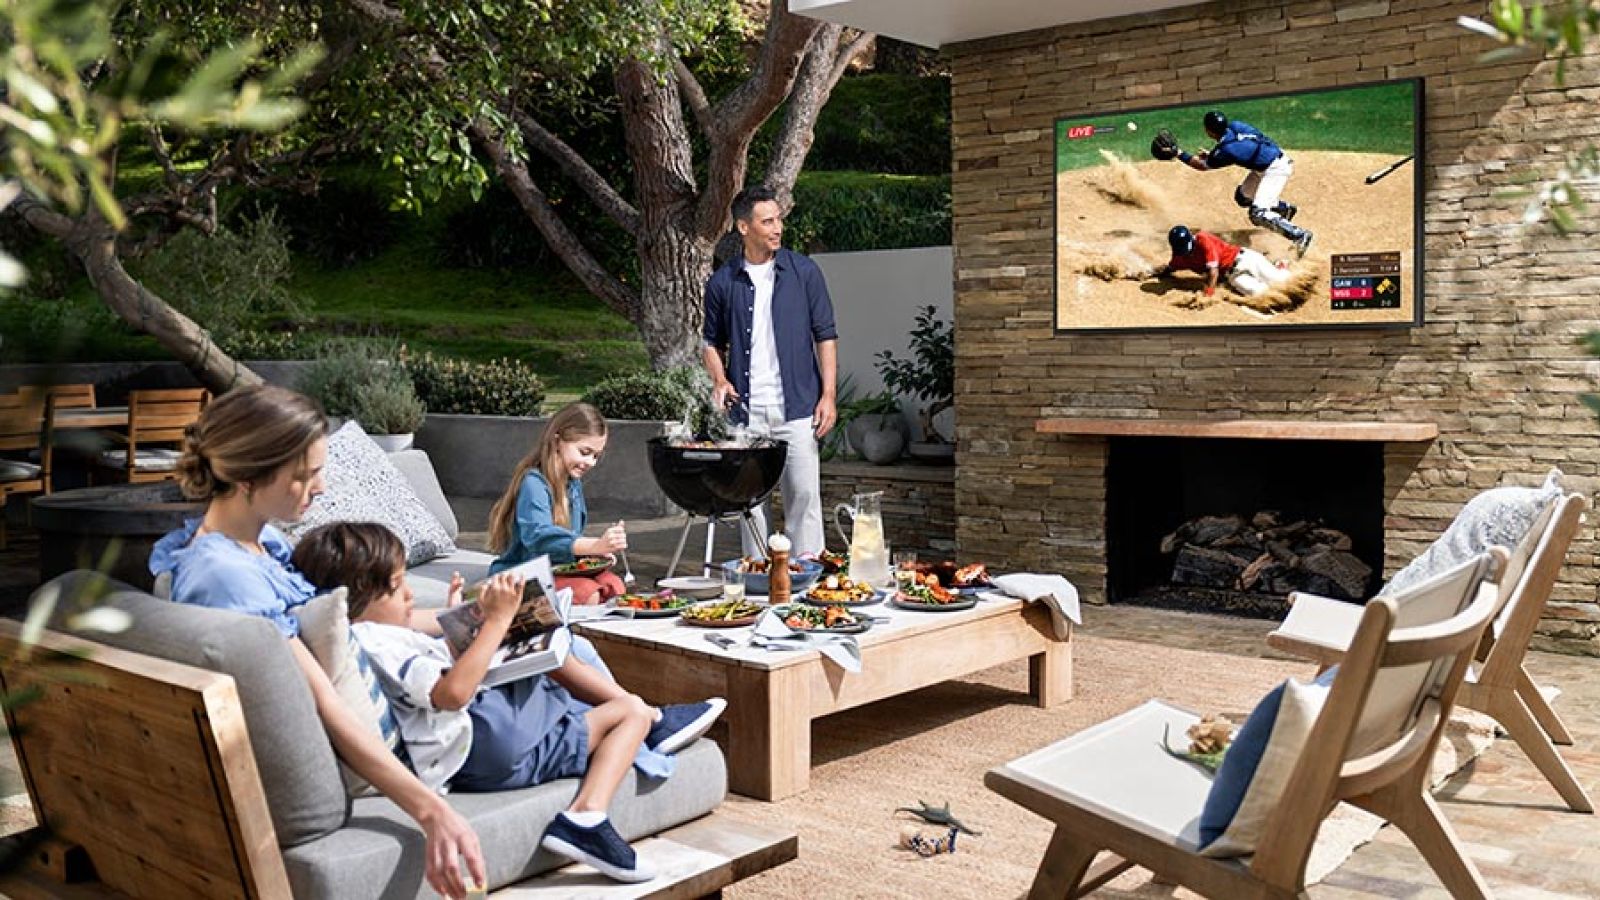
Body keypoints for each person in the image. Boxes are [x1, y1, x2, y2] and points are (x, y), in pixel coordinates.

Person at [148, 385, 483, 900]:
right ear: (245, 477)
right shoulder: (226, 578)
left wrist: (465, 618)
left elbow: (344, 628)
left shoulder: (260, 544)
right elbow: (325, 701)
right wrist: (432, 810)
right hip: (408, 740)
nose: (321, 488)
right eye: (304, 475)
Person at [291, 522, 726, 883]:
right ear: (359, 598)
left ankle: (651, 717)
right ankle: (591, 810)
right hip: (490, 743)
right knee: (611, 700)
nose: (409, 596)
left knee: (542, 643)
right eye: (398, 586)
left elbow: (434, 677)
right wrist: (498, 620)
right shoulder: (380, 640)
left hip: (482, 737)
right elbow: (452, 694)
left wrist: (466, 623)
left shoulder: (374, 634)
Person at [702, 185, 839, 557]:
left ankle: (807, 582)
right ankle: (759, 581)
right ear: (744, 228)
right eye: (768, 221)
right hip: (745, 414)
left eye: (779, 219)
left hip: (797, 409)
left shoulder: (804, 272)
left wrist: (828, 396)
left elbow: (825, 335)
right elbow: (709, 342)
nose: (777, 227)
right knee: (749, 503)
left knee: (804, 500)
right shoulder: (722, 282)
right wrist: (719, 378)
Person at [487, 403, 627, 604]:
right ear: (557, 441)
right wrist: (593, 545)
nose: (591, 462)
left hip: (556, 569)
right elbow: (539, 538)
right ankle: (571, 635)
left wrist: (597, 552)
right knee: (587, 593)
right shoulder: (533, 483)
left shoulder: (573, 484)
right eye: (584, 452)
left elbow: (570, 538)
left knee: (614, 586)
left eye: (596, 455)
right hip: (522, 573)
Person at [1161, 110, 1314, 258]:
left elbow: (1202, 165)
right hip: (1268, 161)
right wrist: (1214, 156)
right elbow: (1243, 147)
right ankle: (1284, 210)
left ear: (1209, 131)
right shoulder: (1236, 126)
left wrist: (1178, 153)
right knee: (1242, 197)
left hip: (1274, 170)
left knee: (1257, 214)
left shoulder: (1226, 150)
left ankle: (1299, 235)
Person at [1158, 225, 1291, 298]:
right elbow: (1169, 268)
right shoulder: (1179, 258)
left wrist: (1208, 294)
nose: (1187, 252)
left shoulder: (1203, 240)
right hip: (1233, 276)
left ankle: (1280, 266)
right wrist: (1151, 274)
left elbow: (1213, 272)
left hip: (1245, 259)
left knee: (1282, 281)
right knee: (1259, 294)